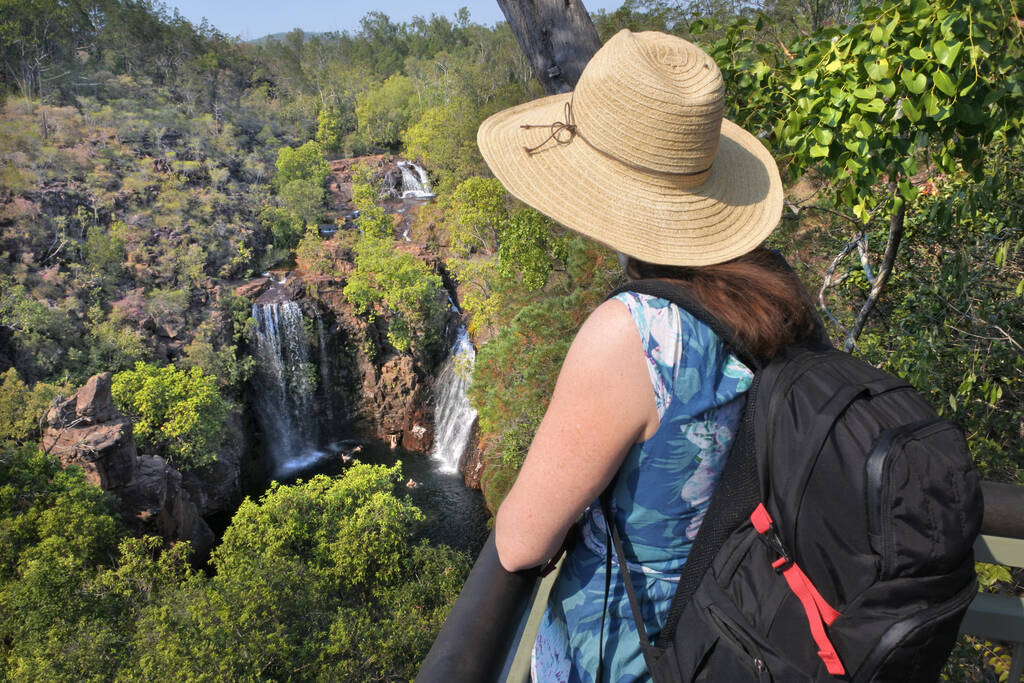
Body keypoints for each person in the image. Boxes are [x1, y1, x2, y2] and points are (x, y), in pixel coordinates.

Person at [476, 30, 817, 681]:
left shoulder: (634, 331)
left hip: (636, 660)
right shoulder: (776, 302)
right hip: (739, 636)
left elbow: (521, 541)